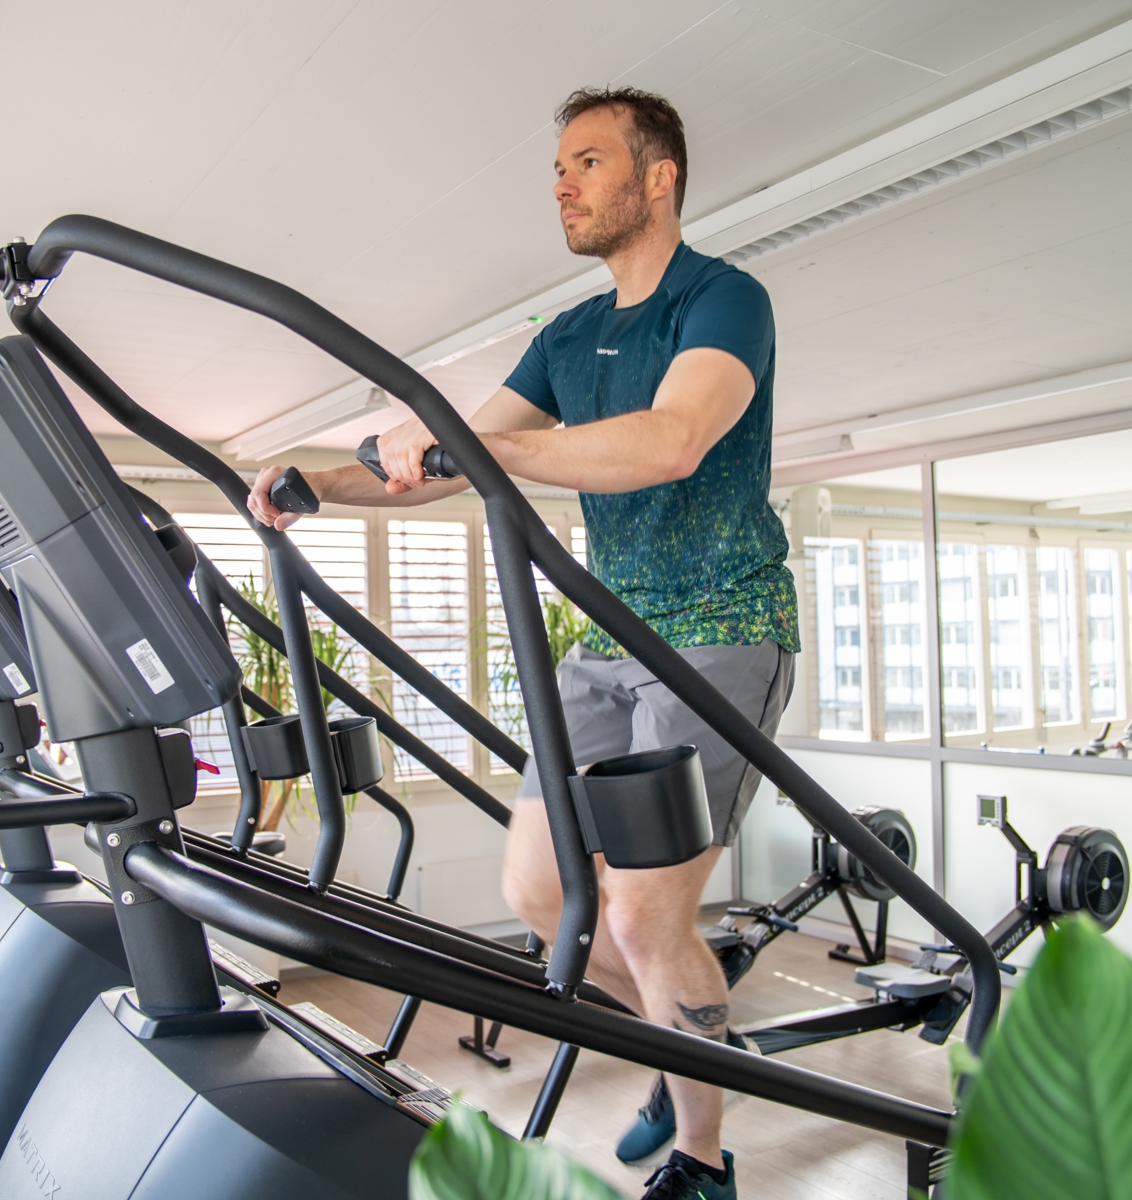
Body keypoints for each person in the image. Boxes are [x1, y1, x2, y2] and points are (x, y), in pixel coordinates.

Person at [248, 86, 796, 1200]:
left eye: (587, 161)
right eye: (557, 166)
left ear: (659, 178)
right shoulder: (567, 335)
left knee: (645, 911)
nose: (561, 183)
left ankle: (701, 1157)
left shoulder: (723, 300)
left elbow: (673, 441)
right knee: (544, 893)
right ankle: (681, 1040)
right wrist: (322, 484)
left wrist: (474, 453)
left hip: (723, 632)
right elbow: (451, 458)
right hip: (607, 640)